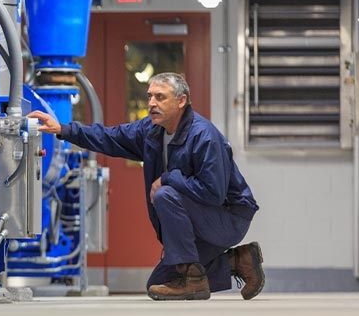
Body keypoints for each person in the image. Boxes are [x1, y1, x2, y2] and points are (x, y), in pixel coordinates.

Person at [27, 72, 264, 300]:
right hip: (201, 218)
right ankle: (238, 261)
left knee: (165, 194)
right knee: (158, 283)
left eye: (160, 97)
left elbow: (213, 193)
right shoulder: (151, 130)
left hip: (228, 217)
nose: (152, 102)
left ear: (181, 101)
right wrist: (62, 129)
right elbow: (110, 136)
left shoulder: (204, 137)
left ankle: (193, 279)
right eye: (150, 96)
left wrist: (169, 178)